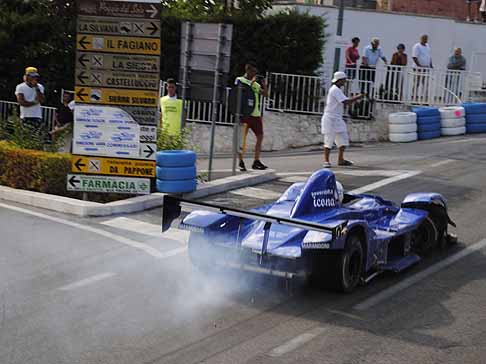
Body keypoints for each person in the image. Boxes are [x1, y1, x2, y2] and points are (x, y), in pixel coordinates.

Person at [322, 71, 364, 168]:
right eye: (344, 80)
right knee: (329, 139)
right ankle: (326, 161)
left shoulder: (338, 90)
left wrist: (355, 99)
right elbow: (345, 102)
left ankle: (341, 159)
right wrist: (358, 97)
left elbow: (345, 101)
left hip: (337, 118)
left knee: (343, 138)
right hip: (330, 118)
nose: (345, 82)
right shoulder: (335, 90)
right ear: (339, 80)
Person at [236, 61, 269, 171]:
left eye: (256, 72)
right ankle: (241, 161)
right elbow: (239, 93)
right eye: (253, 71)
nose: (255, 74)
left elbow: (265, 94)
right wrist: (251, 84)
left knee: (260, 136)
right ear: (248, 70)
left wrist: (264, 85)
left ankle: (256, 160)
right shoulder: (240, 80)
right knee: (242, 140)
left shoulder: (256, 84)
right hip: (245, 115)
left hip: (256, 115)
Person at [360, 38, 387, 116]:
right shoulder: (366, 48)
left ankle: (368, 94)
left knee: (371, 81)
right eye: (375, 44)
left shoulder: (379, 49)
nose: (376, 46)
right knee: (363, 80)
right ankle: (362, 93)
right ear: (372, 44)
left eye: (377, 44)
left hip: (372, 67)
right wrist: (366, 64)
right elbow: (364, 57)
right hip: (365, 66)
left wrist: (385, 62)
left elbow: (382, 56)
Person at [15, 66, 45, 133]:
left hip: (37, 115)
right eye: (32, 76)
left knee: (36, 137)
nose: (34, 78)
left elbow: (42, 100)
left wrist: (37, 88)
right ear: (26, 77)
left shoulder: (40, 87)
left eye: (35, 77)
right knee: (26, 136)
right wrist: (34, 102)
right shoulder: (20, 87)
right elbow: (21, 102)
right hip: (25, 116)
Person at [412, 35, 433, 102]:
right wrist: (419, 66)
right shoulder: (417, 46)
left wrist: (431, 65)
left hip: (426, 68)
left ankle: (424, 99)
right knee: (416, 83)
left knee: (425, 84)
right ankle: (414, 98)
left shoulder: (427, 46)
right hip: (418, 68)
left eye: (426, 39)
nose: (425, 40)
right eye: (424, 39)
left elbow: (429, 56)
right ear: (421, 39)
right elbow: (414, 57)